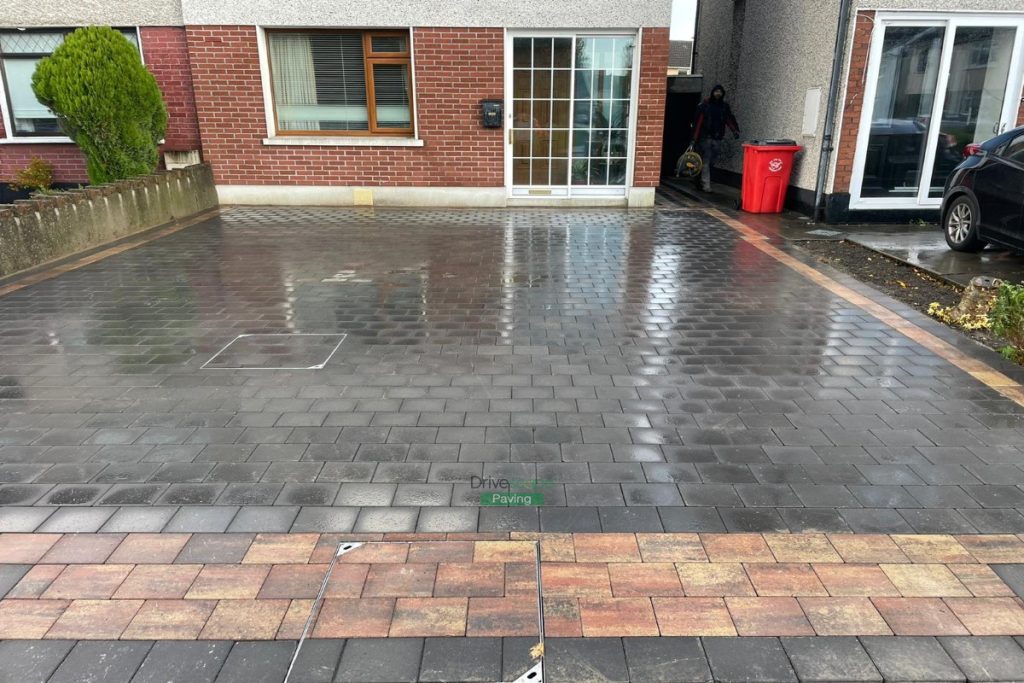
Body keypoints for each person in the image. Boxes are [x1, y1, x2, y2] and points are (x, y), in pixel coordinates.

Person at [691, 84, 740, 192]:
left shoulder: (724, 106)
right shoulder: (705, 105)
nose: (718, 94)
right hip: (706, 138)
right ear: (712, 92)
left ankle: (698, 179)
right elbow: (698, 122)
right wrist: (695, 138)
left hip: (717, 138)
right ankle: (706, 185)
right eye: (716, 91)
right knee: (707, 161)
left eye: (720, 92)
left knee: (711, 161)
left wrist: (735, 131)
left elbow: (728, 119)